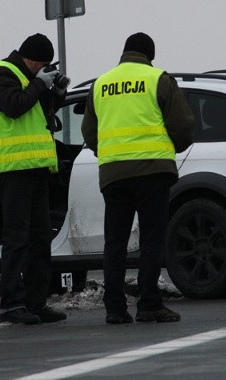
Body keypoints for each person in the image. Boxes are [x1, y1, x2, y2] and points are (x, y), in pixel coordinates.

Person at [81, 32, 195, 324]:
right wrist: (173, 146)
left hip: (114, 174)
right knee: (151, 240)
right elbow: (182, 126)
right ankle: (149, 304)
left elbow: (89, 134)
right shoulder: (158, 79)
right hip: (152, 172)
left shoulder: (101, 84)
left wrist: (110, 154)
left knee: (115, 243)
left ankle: (114, 309)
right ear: (149, 56)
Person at [0, 33, 69, 325]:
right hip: (13, 169)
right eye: (42, 65)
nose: (42, 70)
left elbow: (42, 113)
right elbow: (14, 106)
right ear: (30, 59)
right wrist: (39, 84)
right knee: (17, 239)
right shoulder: (2, 74)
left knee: (40, 239)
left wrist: (56, 94)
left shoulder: (31, 78)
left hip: (36, 168)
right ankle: (11, 304)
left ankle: (36, 302)